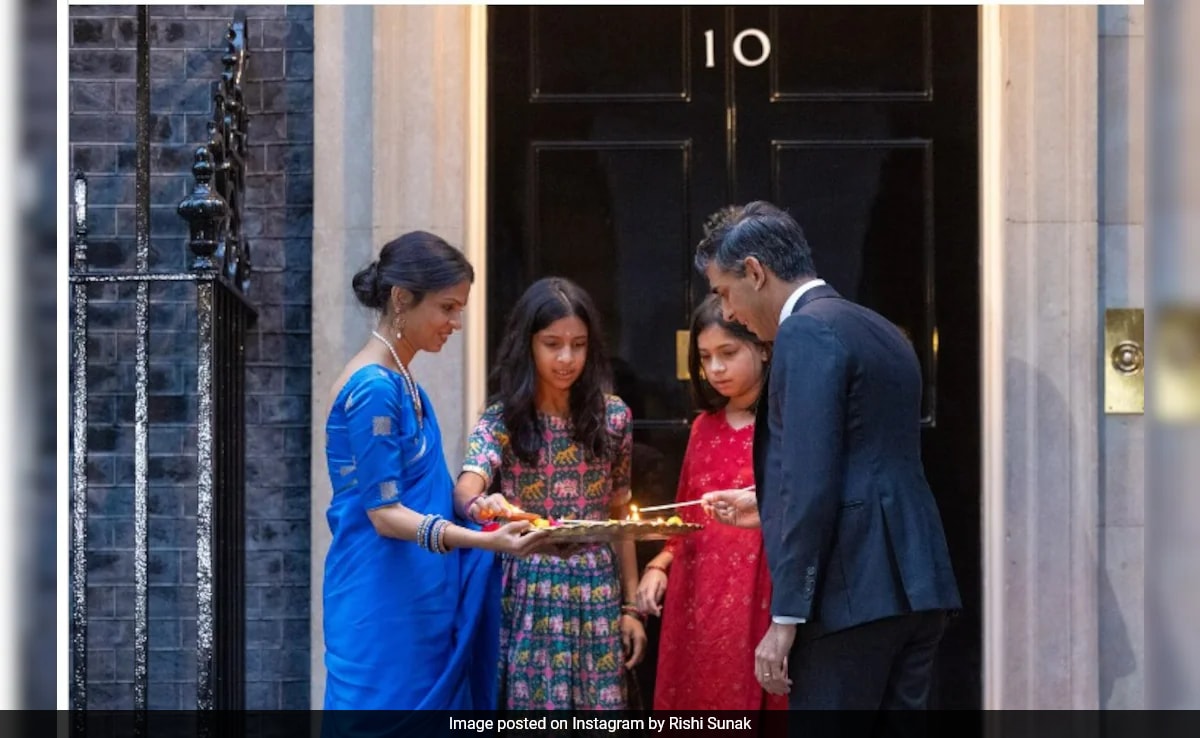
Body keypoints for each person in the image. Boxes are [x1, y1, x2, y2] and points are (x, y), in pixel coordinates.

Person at [695, 202, 961, 715]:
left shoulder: (804, 331)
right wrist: (766, 503)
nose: (728, 313)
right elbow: (864, 458)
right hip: (918, 588)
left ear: (755, 271)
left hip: (849, 598)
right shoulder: (878, 328)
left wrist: (785, 617)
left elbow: (810, 481)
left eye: (725, 293)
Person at [320, 231, 546, 713]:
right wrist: (486, 542)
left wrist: (480, 506)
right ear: (402, 299)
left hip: (417, 597)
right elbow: (384, 515)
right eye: (447, 307)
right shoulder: (374, 388)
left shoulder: (404, 383)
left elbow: (431, 491)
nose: (457, 322)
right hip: (383, 605)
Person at [455, 276, 648, 710]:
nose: (567, 358)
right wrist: (482, 503)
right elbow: (467, 485)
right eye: (552, 344)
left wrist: (631, 608)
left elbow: (621, 517)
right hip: (528, 587)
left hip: (596, 586)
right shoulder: (502, 418)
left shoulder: (613, 417)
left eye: (578, 345)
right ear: (528, 345)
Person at [634, 295, 788, 712]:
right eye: (705, 357)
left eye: (728, 353)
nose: (716, 368)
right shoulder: (704, 427)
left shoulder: (785, 423)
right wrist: (659, 564)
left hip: (763, 587)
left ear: (761, 347)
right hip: (698, 593)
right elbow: (686, 513)